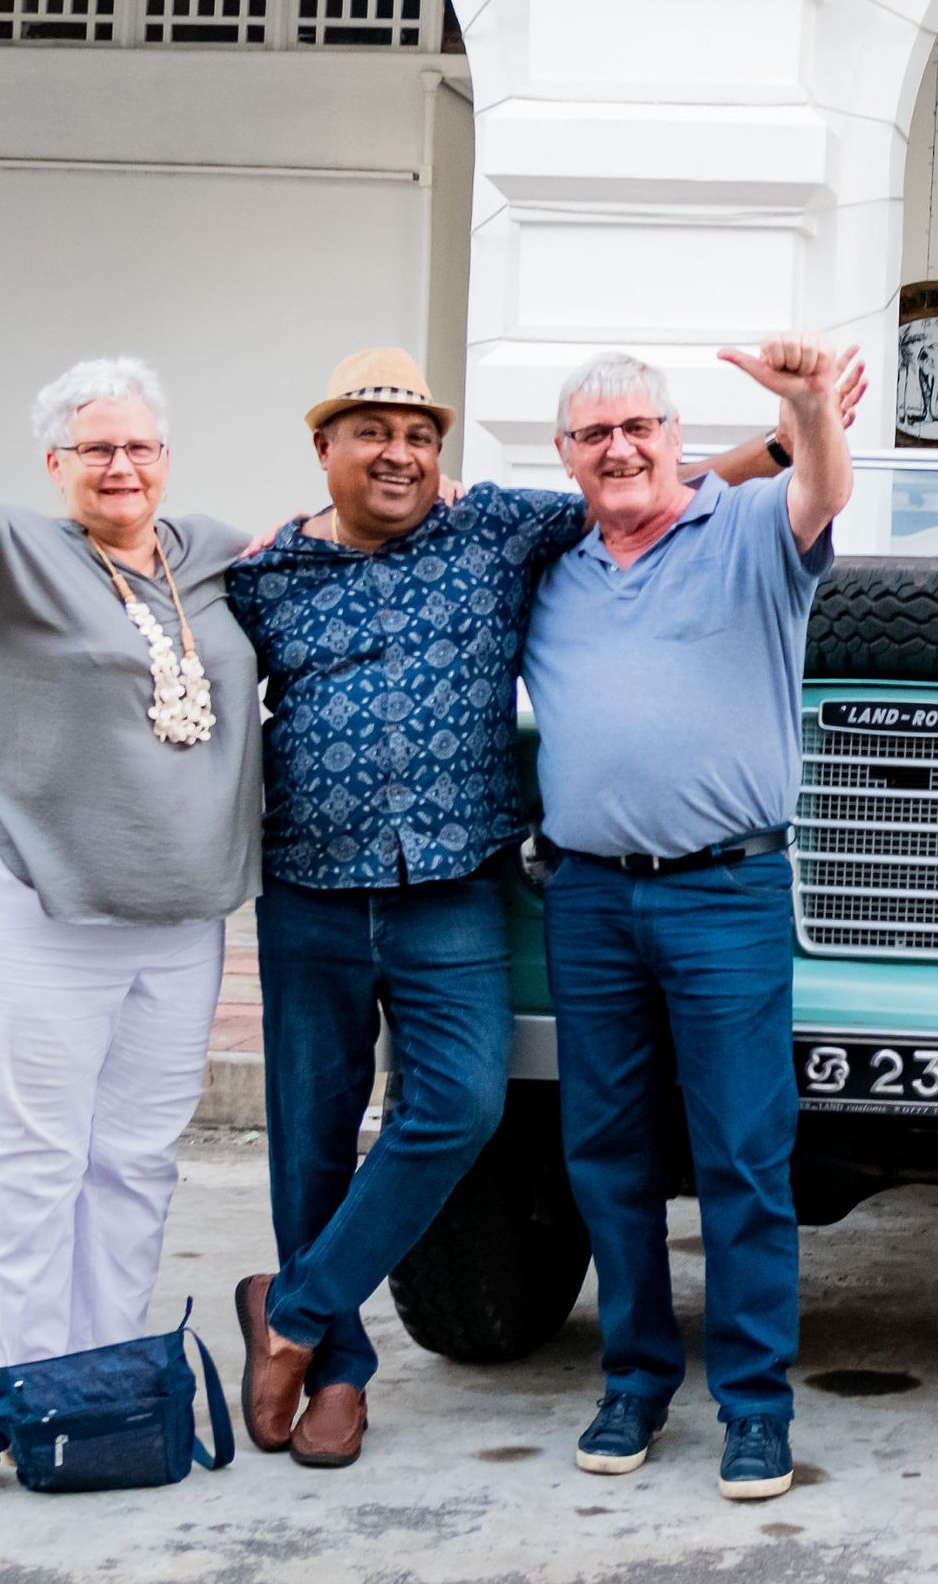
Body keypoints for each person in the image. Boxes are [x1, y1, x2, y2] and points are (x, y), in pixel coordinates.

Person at [222, 347, 841, 1468]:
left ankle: (753, 1408)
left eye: (416, 434)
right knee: (546, 1153)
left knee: (675, 1145)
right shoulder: (286, 573)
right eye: (369, 432)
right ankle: (402, 1375)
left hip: (594, 891)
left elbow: (737, 483)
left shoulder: (589, 533)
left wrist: (800, 418)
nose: (397, 452)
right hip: (443, 891)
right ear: (325, 452)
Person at [518, 341, 852, 1503]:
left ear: (674, 437)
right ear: (565, 457)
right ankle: (635, 1380)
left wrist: (807, 407)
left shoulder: (753, 531)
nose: (619, 449)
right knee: (605, 1153)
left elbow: (823, 489)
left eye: (638, 429)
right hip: (591, 894)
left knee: (742, 1158)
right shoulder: (552, 562)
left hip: (726, 892)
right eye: (592, 435)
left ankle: (755, 1407)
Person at [0, 358, 261, 1373]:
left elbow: (331, 537)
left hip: (187, 921)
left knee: (138, 1161)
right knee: (39, 1160)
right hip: (54, 915)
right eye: (95, 448)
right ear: (54, 462)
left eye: (139, 446)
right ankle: (25, 1383)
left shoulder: (214, 552)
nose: (121, 467)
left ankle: (102, 1372)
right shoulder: (24, 553)